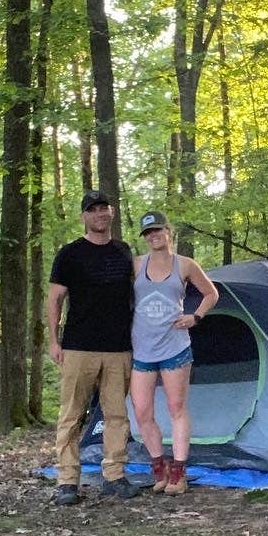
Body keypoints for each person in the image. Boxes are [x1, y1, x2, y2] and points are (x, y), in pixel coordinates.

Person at [47, 189, 139, 505]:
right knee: (71, 415)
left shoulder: (124, 252)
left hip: (118, 348)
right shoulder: (69, 254)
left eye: (104, 208)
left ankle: (114, 476)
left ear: (111, 213)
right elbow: (55, 299)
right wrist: (53, 340)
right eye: (93, 209)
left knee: (116, 415)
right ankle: (67, 481)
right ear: (84, 216)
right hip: (78, 347)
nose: (100, 214)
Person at [128, 209, 219, 495]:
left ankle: (179, 472)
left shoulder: (185, 265)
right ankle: (159, 468)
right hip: (142, 349)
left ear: (169, 232)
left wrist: (196, 317)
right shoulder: (135, 265)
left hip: (175, 348)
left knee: (176, 408)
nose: (154, 236)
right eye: (148, 233)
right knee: (142, 411)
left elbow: (211, 293)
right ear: (144, 238)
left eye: (158, 230)